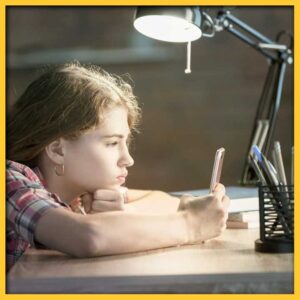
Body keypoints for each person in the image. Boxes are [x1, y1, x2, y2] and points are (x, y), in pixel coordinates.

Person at [6, 62, 230, 272]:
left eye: (126, 142)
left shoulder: (77, 193)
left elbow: (165, 201)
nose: (128, 159)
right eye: (112, 143)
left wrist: (124, 214)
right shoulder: (12, 182)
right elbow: (88, 237)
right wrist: (191, 224)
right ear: (57, 151)